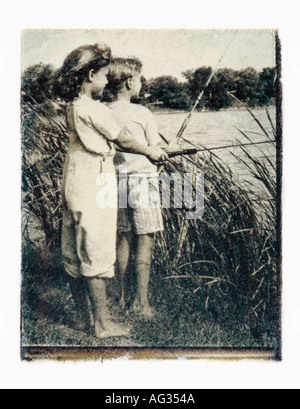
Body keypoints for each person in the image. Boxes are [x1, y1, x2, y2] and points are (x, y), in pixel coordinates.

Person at [58, 44, 168, 339]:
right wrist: (152, 152)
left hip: (73, 183)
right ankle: (103, 324)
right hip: (92, 186)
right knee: (96, 251)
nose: (107, 82)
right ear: (91, 74)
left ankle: (85, 319)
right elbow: (124, 141)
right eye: (104, 75)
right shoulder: (92, 108)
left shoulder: (73, 107)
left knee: (73, 254)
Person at [106, 57, 180, 319]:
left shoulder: (104, 112)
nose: (141, 83)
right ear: (128, 82)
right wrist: (172, 149)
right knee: (145, 243)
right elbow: (154, 148)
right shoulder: (143, 113)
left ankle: (122, 299)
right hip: (143, 184)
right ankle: (142, 304)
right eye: (139, 79)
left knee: (123, 241)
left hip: (114, 184)